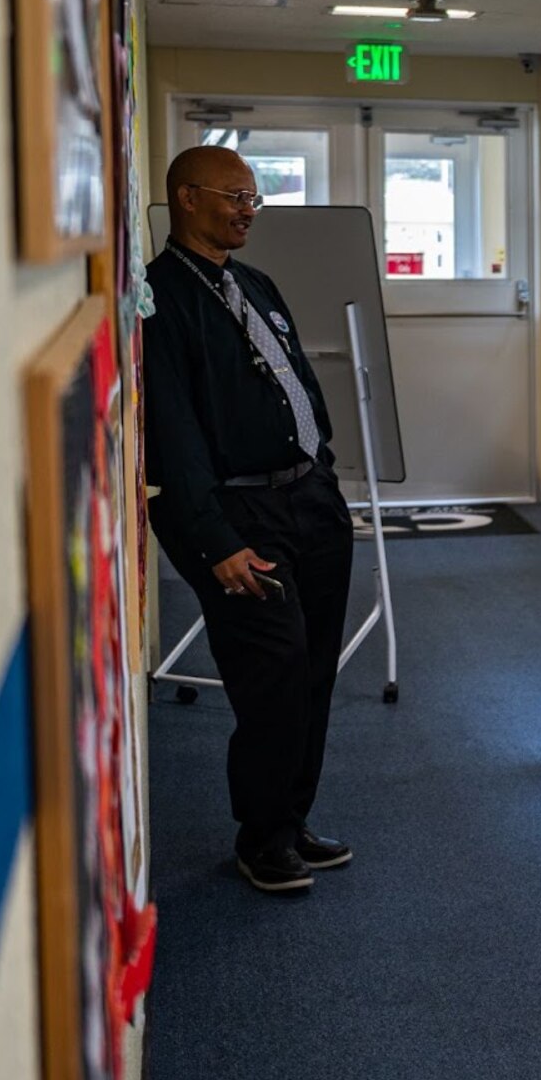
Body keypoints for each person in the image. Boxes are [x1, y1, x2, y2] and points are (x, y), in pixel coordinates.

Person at [143, 146, 356, 893]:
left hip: (310, 498)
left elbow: (296, 384)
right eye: (234, 197)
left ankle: (292, 820)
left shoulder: (255, 284)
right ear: (186, 197)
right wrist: (217, 541)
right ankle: (260, 835)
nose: (247, 211)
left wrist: (324, 472)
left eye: (253, 199)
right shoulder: (159, 296)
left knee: (316, 671)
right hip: (238, 514)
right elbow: (170, 432)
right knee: (273, 673)